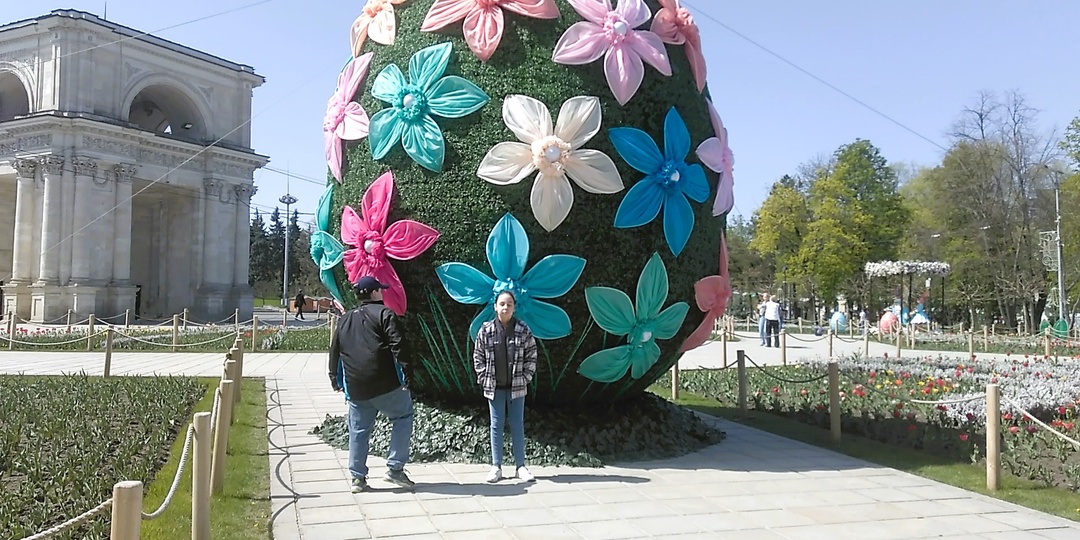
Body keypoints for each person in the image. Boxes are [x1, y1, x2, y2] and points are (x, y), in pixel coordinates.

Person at [329, 276, 414, 493]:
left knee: (358, 430)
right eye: (380, 289)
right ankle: (395, 468)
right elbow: (399, 345)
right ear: (374, 292)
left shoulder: (345, 319)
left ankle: (358, 478)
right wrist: (408, 375)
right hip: (385, 383)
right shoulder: (385, 314)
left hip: (356, 386)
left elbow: (335, 351)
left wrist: (334, 379)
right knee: (403, 416)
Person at [473, 291, 537, 483]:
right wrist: (484, 379)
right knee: (496, 425)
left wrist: (525, 377)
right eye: (502, 304)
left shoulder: (523, 330)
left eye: (509, 304)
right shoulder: (486, 330)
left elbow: (532, 355)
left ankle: (520, 466)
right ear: (495, 306)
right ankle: (496, 466)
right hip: (495, 387)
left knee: (517, 425)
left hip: (517, 387)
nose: (505, 307)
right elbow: (478, 356)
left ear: (514, 307)